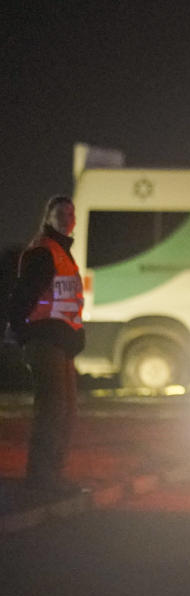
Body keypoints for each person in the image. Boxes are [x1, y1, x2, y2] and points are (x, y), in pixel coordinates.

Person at [8, 196, 85, 493]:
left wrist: (77, 336)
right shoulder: (44, 252)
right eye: (60, 213)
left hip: (61, 342)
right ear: (48, 217)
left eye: (70, 213)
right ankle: (42, 478)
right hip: (45, 341)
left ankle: (52, 475)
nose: (67, 218)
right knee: (53, 409)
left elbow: (68, 302)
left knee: (64, 410)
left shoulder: (63, 253)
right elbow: (24, 296)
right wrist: (22, 331)